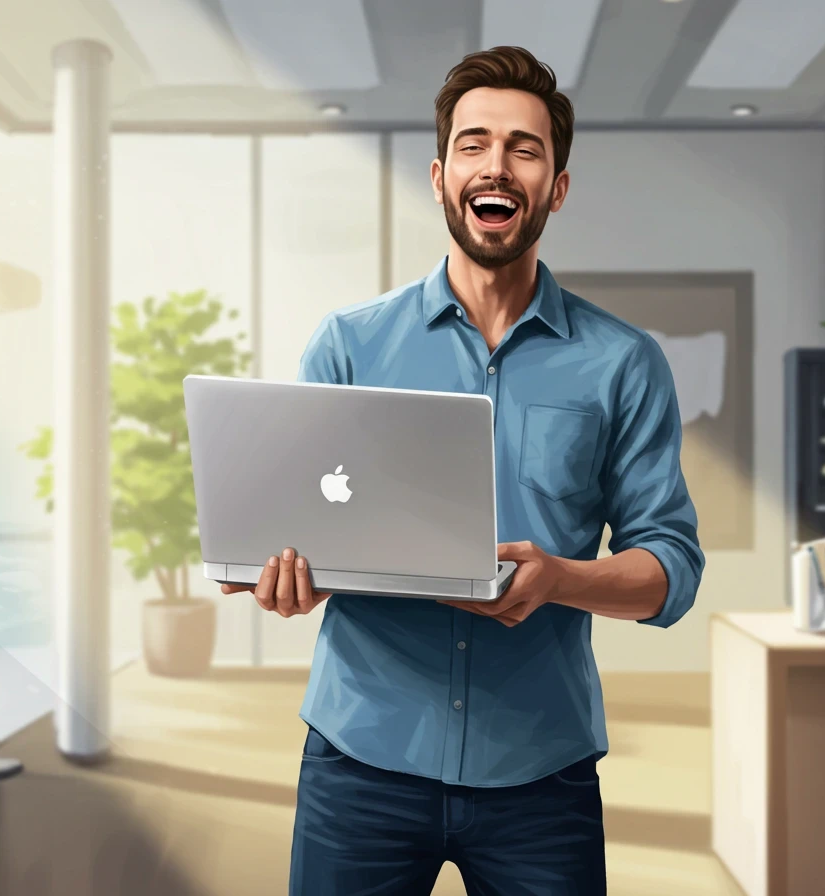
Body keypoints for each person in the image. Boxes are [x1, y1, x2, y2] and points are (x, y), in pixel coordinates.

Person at [220, 45, 704, 895]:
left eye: (525, 148)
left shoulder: (624, 362)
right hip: (360, 762)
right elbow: (302, 525)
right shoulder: (349, 345)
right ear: (442, 176)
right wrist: (291, 573)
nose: (499, 165)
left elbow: (672, 568)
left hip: (541, 778)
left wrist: (560, 579)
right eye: (476, 145)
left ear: (556, 186)